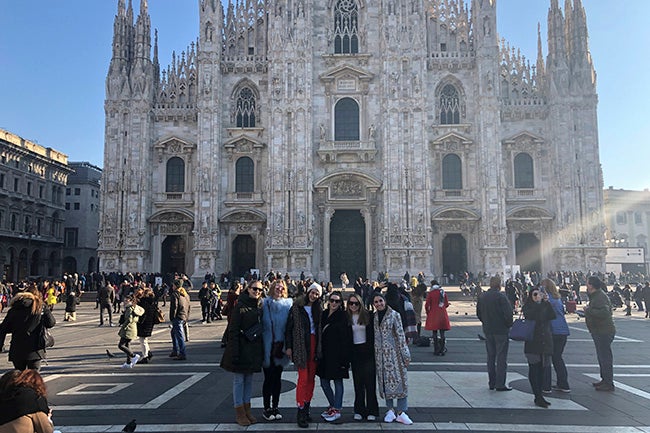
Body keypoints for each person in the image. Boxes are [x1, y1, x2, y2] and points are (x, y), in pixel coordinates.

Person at [220, 280, 264, 427]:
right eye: (254, 289)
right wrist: (234, 351)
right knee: (239, 381)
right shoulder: (240, 306)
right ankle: (239, 412)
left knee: (249, 381)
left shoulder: (259, 306)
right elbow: (233, 330)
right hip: (240, 348)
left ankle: (247, 410)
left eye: (259, 289)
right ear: (248, 289)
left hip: (253, 349)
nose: (257, 291)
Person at [285, 282, 323, 428]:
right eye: (312, 292)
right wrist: (289, 347)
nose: (314, 295)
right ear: (308, 292)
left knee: (311, 379)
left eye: (317, 293)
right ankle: (300, 410)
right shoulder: (296, 307)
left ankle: (306, 407)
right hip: (300, 345)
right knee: (303, 378)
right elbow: (289, 328)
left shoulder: (318, 308)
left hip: (314, 345)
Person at [373, 293, 413, 425]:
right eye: (376, 302)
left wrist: (405, 354)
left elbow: (401, 335)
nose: (379, 304)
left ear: (385, 301)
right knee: (385, 383)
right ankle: (389, 410)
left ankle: (401, 412)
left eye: (380, 301)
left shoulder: (394, 315)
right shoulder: (374, 317)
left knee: (401, 382)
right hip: (380, 356)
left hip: (394, 354)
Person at [0, 286, 56, 371]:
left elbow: (4, 328)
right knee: (33, 378)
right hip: (35, 349)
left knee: (19, 376)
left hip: (17, 348)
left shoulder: (15, 308)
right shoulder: (40, 307)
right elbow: (51, 323)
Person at [260, 279, 293, 421]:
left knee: (277, 379)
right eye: (277, 288)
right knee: (268, 378)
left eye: (281, 288)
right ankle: (267, 408)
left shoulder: (288, 305)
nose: (279, 290)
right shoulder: (264, 304)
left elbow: (291, 327)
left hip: (281, 348)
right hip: (267, 347)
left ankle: (275, 406)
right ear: (272, 288)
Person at [317, 291, 351, 423]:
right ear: (328, 301)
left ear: (341, 303)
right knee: (324, 382)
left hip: (337, 354)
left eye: (337, 301)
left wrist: (345, 358)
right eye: (332, 300)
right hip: (324, 354)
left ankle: (336, 409)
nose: (334, 303)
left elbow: (346, 338)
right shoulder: (324, 314)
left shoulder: (343, 316)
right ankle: (333, 405)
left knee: (338, 381)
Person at [476, 276, 514, 391]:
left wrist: (486, 322)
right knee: (501, 357)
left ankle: (491, 382)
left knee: (491, 357)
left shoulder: (482, 296)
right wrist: (508, 325)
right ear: (499, 285)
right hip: (501, 331)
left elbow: (479, 313)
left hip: (488, 330)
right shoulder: (501, 297)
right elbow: (508, 314)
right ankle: (500, 384)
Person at [522, 287, 556, 408]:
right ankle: (537, 395)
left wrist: (546, 302)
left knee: (542, 370)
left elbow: (552, 316)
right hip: (533, 342)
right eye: (534, 294)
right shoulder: (528, 307)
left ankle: (540, 395)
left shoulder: (545, 305)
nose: (537, 296)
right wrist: (538, 304)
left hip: (545, 342)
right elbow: (535, 316)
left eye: (539, 294)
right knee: (534, 369)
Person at [347, 292, 378, 421]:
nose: (353, 305)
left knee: (370, 383)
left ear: (360, 304)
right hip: (355, 352)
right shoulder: (346, 318)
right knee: (358, 383)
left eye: (356, 303)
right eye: (351, 303)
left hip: (368, 352)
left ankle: (372, 410)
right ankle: (359, 410)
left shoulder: (368, 315)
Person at [584, 276, 616, 391]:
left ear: (592, 285)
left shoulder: (600, 297)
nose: (586, 285)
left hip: (603, 331)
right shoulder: (596, 296)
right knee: (602, 357)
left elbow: (605, 312)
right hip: (599, 330)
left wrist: (588, 310)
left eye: (587, 283)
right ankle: (605, 380)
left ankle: (608, 382)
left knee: (605, 357)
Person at [540, 279, 571, 393]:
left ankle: (546, 386)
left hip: (552, 331)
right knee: (558, 358)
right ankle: (564, 384)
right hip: (563, 331)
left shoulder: (547, 301)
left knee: (547, 358)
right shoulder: (558, 300)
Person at [116, 295, 145, 368]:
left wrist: (124, 327)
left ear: (131, 301)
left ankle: (134, 356)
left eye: (126, 300)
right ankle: (128, 362)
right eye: (124, 300)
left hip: (128, 329)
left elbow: (129, 319)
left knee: (121, 345)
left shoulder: (129, 309)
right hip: (133, 328)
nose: (124, 302)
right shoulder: (134, 308)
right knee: (127, 345)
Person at [424, 281, 451, 356]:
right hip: (442, 314)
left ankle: (436, 349)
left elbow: (427, 305)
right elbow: (446, 304)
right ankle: (442, 349)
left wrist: (428, 313)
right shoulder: (442, 292)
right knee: (442, 333)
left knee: (434, 332)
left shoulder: (431, 293)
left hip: (433, 314)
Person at [134, 287, 157, 364]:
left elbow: (139, 311)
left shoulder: (143, 301)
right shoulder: (153, 301)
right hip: (150, 322)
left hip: (143, 322)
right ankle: (148, 352)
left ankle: (145, 356)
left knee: (142, 339)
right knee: (144, 339)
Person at [169, 281, 190, 361]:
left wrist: (172, 318)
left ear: (175, 286)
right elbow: (189, 306)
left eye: (173, 285)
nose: (172, 286)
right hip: (183, 316)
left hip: (178, 317)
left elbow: (174, 307)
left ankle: (182, 353)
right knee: (173, 333)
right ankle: (175, 350)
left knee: (179, 336)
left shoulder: (175, 295)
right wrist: (186, 317)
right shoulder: (185, 295)